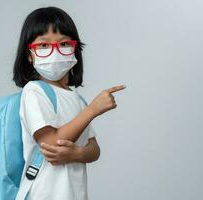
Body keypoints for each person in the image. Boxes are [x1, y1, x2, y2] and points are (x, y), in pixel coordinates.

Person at [12, 6, 126, 200]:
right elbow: (51, 144)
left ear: (74, 49)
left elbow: (94, 149)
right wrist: (93, 110)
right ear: (29, 55)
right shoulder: (34, 91)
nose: (55, 51)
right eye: (43, 45)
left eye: (64, 43)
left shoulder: (75, 98)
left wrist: (77, 154)